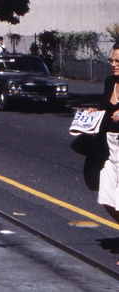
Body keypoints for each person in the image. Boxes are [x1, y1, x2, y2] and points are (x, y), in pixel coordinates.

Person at [97, 43, 119, 262]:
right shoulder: (110, 82)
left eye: (118, 62)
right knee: (107, 196)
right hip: (109, 146)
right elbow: (104, 107)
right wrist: (95, 110)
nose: (113, 65)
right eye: (112, 61)